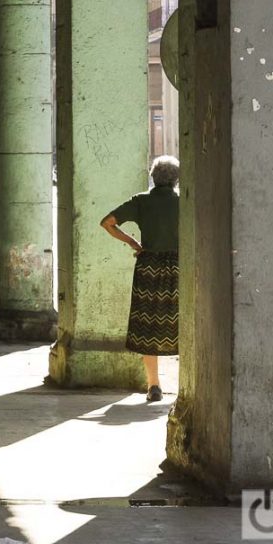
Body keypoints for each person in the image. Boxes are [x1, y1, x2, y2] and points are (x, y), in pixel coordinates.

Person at [100, 155, 180, 403]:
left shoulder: (141, 201)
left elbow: (107, 222)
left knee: (148, 326)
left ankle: (154, 385)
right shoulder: (184, 202)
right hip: (178, 266)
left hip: (149, 266)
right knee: (181, 324)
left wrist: (133, 242)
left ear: (153, 177)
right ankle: (188, 382)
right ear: (176, 180)